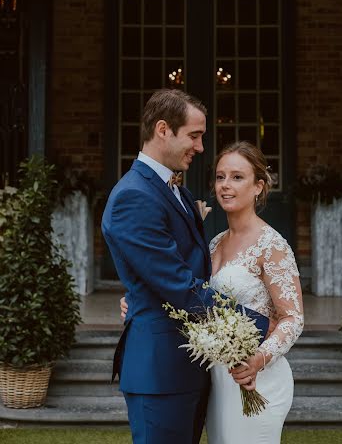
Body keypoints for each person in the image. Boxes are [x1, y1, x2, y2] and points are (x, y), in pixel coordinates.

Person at [102, 89, 268, 444]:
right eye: (194, 135)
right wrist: (258, 322)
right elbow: (177, 284)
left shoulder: (170, 187)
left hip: (187, 366)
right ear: (163, 129)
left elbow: (181, 269)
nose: (201, 146)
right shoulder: (134, 196)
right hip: (160, 372)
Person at [120, 137, 304, 444]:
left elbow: (293, 318)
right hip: (216, 379)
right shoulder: (214, 243)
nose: (225, 186)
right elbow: (187, 293)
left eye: (237, 177)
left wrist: (257, 360)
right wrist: (137, 300)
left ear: (258, 186)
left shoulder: (272, 245)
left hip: (255, 379)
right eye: (220, 177)